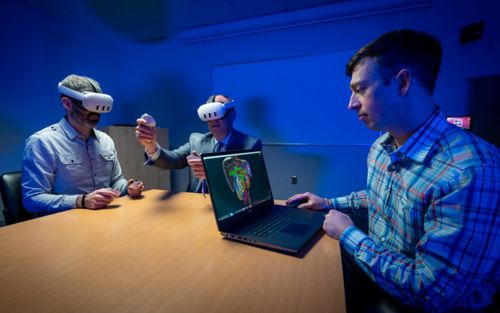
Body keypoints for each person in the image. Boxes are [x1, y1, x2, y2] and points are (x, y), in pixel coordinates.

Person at [287, 29, 500, 312]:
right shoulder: (381, 146)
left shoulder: (471, 171)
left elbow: (432, 294)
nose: (350, 104)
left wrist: (349, 234)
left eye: (360, 89)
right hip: (381, 274)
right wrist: (327, 203)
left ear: (401, 83)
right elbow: (381, 196)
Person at [22, 74, 144, 216]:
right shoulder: (42, 142)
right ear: (67, 103)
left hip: (105, 219)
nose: (96, 113)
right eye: (89, 105)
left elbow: (115, 180)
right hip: (63, 225)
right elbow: (32, 199)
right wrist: (81, 201)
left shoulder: (106, 140)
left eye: (100, 107)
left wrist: (127, 188)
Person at [135, 94, 262, 193]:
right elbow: (173, 160)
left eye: (218, 113)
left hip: (229, 206)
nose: (213, 120)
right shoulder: (197, 140)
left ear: (232, 115)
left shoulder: (250, 145)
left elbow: (248, 184)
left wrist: (212, 173)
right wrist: (151, 145)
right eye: (209, 115)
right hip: (195, 206)